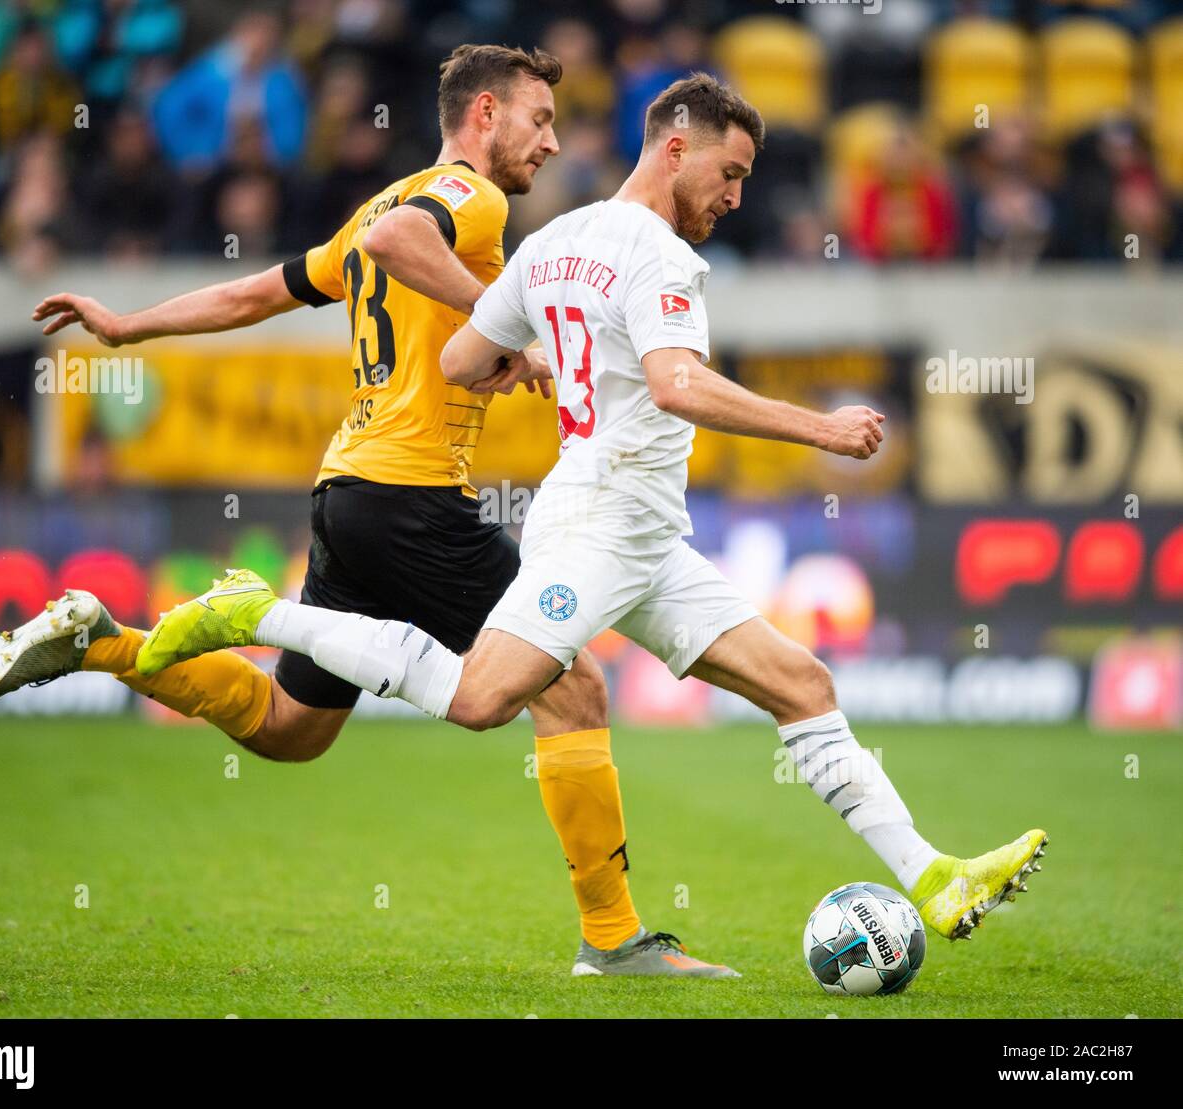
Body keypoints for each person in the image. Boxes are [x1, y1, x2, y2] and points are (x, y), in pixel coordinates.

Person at [138, 73, 1048, 946]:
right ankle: (261, 613)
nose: (734, 197)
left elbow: (458, 361)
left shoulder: (554, 240)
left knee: (802, 683)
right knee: (483, 699)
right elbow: (677, 383)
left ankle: (932, 876)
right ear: (676, 147)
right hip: (599, 526)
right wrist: (820, 429)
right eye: (727, 174)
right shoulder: (661, 256)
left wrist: (531, 353)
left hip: (646, 532)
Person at [0, 46, 735, 979]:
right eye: (540, 121)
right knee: (570, 690)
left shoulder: (380, 198)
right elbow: (397, 245)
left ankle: (104, 642)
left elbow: (257, 292)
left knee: (291, 727)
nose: (552, 142)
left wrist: (129, 326)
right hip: (411, 496)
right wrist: (508, 323)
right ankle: (613, 939)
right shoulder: (466, 199)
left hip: (348, 495)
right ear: (483, 113)